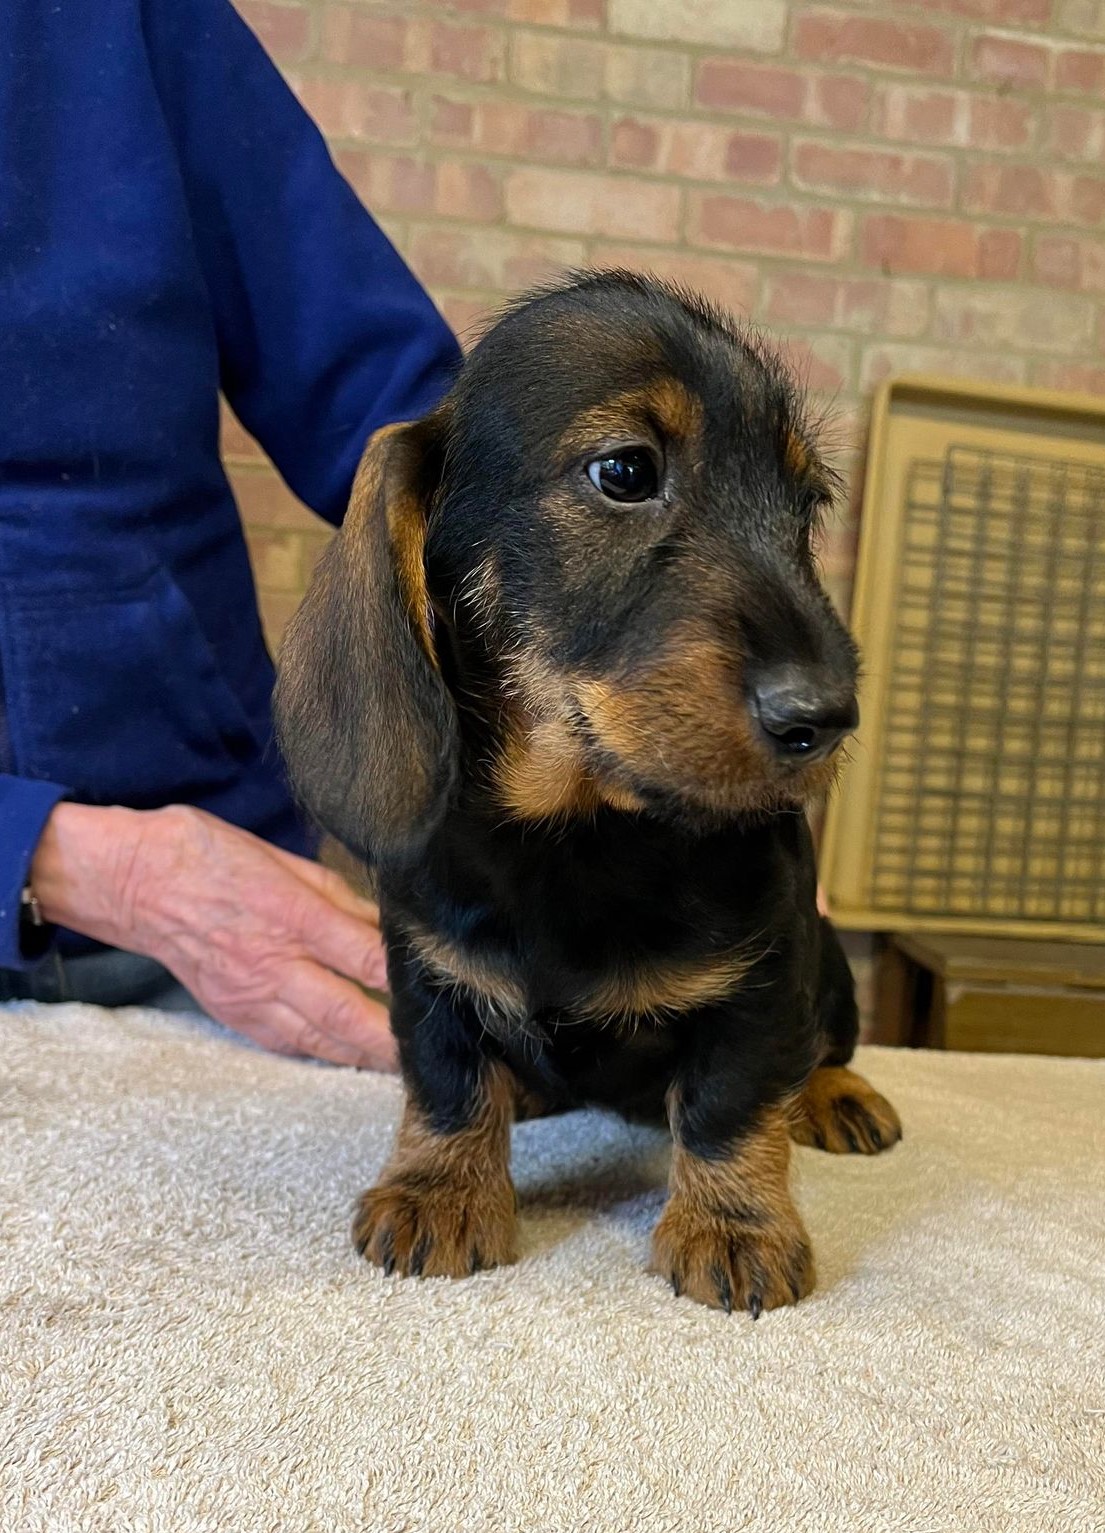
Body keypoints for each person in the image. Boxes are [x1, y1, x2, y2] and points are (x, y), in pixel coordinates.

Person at [0, 0, 461, 1068]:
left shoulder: (114, 20)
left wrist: (648, 668)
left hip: (228, 906)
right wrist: (68, 860)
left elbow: (396, 419)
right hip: (180, 900)